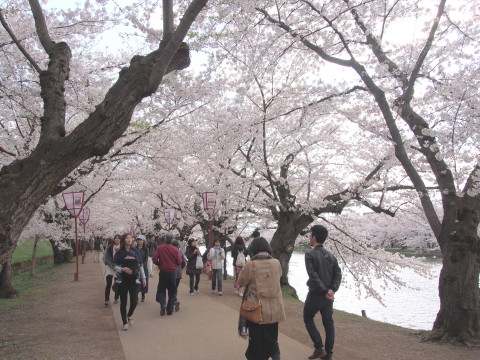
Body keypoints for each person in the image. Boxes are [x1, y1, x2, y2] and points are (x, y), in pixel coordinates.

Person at [238, 237, 286, 360]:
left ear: (254, 249)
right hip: (275, 310)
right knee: (272, 340)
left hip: (257, 310)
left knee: (256, 344)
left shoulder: (251, 264)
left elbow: (241, 281)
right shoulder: (276, 262)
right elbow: (278, 277)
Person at [303, 225, 342, 360]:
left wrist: (325, 290)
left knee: (308, 318)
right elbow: (338, 273)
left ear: (314, 237)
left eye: (310, 235)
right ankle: (329, 354)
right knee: (328, 323)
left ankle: (319, 348)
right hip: (328, 296)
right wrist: (332, 289)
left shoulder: (309, 254)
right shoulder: (331, 255)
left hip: (316, 293)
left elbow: (313, 276)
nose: (309, 238)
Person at [113, 233, 146, 330]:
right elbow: (115, 266)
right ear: (124, 240)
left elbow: (140, 265)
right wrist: (122, 269)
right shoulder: (119, 252)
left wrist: (143, 278)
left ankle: (129, 314)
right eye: (127, 238)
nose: (129, 239)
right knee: (123, 302)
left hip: (134, 279)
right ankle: (124, 322)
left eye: (130, 238)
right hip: (122, 279)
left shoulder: (135, 251)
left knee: (134, 301)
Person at [152, 233, 182, 316]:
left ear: (165, 239)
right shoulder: (175, 249)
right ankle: (169, 310)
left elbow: (154, 259)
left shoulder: (159, 248)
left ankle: (163, 303)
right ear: (172, 240)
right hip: (172, 272)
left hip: (163, 271)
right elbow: (179, 261)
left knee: (161, 289)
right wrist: (174, 265)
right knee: (172, 291)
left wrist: (159, 264)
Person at [103, 234, 121, 306]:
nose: (117, 239)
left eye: (118, 238)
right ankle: (106, 299)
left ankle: (116, 297)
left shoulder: (122, 248)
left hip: (118, 268)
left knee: (117, 284)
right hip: (109, 268)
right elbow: (106, 257)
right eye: (116, 238)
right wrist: (111, 265)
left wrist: (117, 266)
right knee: (108, 284)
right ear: (114, 239)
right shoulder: (110, 247)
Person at [171, 240, 187, 312]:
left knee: (170, 287)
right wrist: (180, 268)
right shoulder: (180, 252)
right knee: (175, 287)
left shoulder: (169, 252)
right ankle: (174, 299)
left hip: (171, 272)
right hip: (178, 273)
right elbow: (184, 262)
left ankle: (173, 300)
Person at [135, 235, 149, 302]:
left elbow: (146, 258)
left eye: (140, 240)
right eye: (138, 240)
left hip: (143, 267)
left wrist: (142, 265)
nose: (139, 241)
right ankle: (136, 296)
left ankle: (143, 295)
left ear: (143, 241)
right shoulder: (134, 248)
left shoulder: (146, 249)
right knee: (136, 281)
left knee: (144, 281)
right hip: (136, 267)